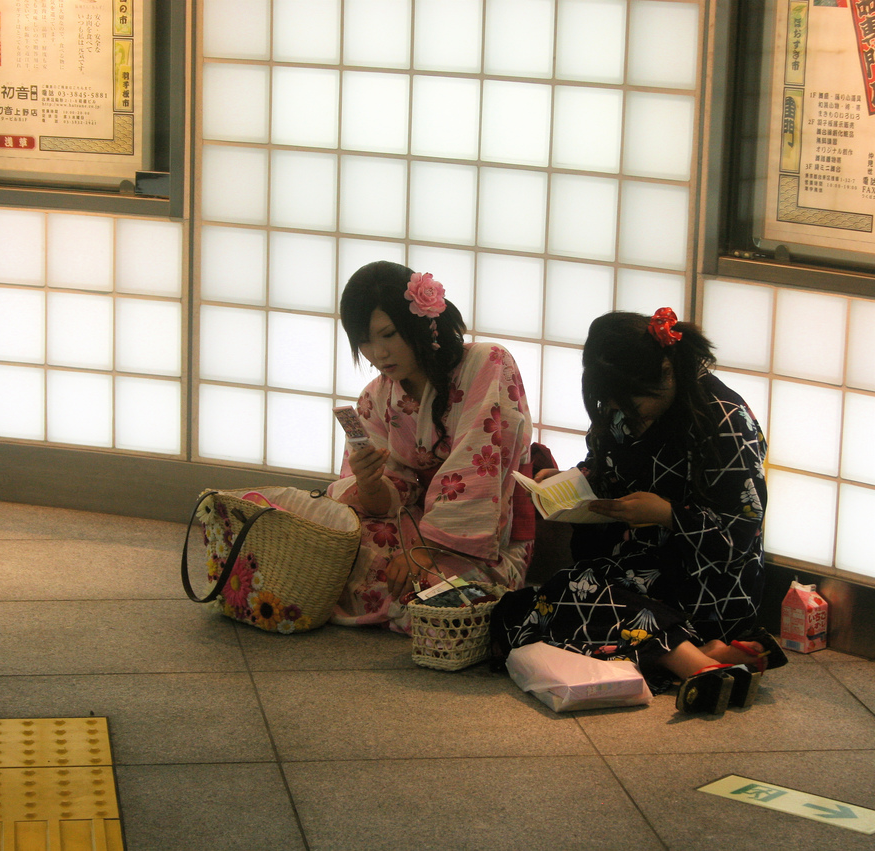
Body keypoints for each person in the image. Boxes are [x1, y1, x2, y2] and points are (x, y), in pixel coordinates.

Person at [491, 308, 783, 714]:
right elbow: (604, 468)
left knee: (577, 597)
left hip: (708, 582)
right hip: (639, 567)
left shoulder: (724, 419)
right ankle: (703, 654)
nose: (627, 412)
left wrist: (668, 514)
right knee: (519, 611)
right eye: (612, 402)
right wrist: (564, 484)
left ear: (664, 371)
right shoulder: (619, 408)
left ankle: (695, 665)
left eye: (635, 400)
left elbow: (741, 533)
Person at [327, 260, 550, 633]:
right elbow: (390, 499)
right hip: (416, 523)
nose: (378, 353)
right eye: (364, 341)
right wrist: (368, 485)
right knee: (346, 550)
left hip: (481, 533)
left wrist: (425, 552)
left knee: (432, 600)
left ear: (419, 320)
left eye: (389, 333)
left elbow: (477, 471)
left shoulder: (488, 363)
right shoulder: (374, 399)